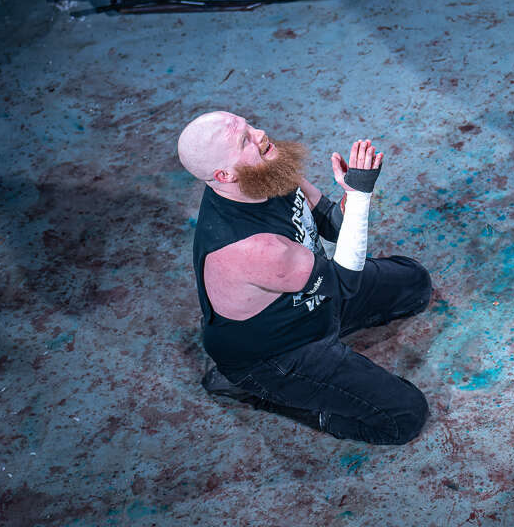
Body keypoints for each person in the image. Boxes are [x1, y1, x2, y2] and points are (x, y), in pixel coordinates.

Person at [178, 111, 432, 444]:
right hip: (279, 352)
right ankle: (266, 393)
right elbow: (345, 282)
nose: (261, 133)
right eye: (245, 140)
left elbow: (331, 222)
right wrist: (361, 197)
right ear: (223, 175)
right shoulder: (252, 248)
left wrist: (351, 193)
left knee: (416, 284)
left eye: (249, 126)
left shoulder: (264, 170)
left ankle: (328, 349)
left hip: (314, 299)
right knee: (405, 417)